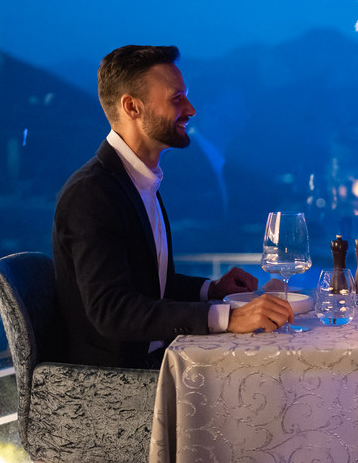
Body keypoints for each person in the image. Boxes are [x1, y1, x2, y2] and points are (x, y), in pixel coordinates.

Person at [52, 44, 293, 368]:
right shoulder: (91, 194)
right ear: (132, 107)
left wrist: (211, 290)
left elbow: (145, 284)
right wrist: (228, 317)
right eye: (176, 98)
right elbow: (113, 310)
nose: (191, 110)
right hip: (116, 381)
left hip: (155, 362)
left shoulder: (136, 181)